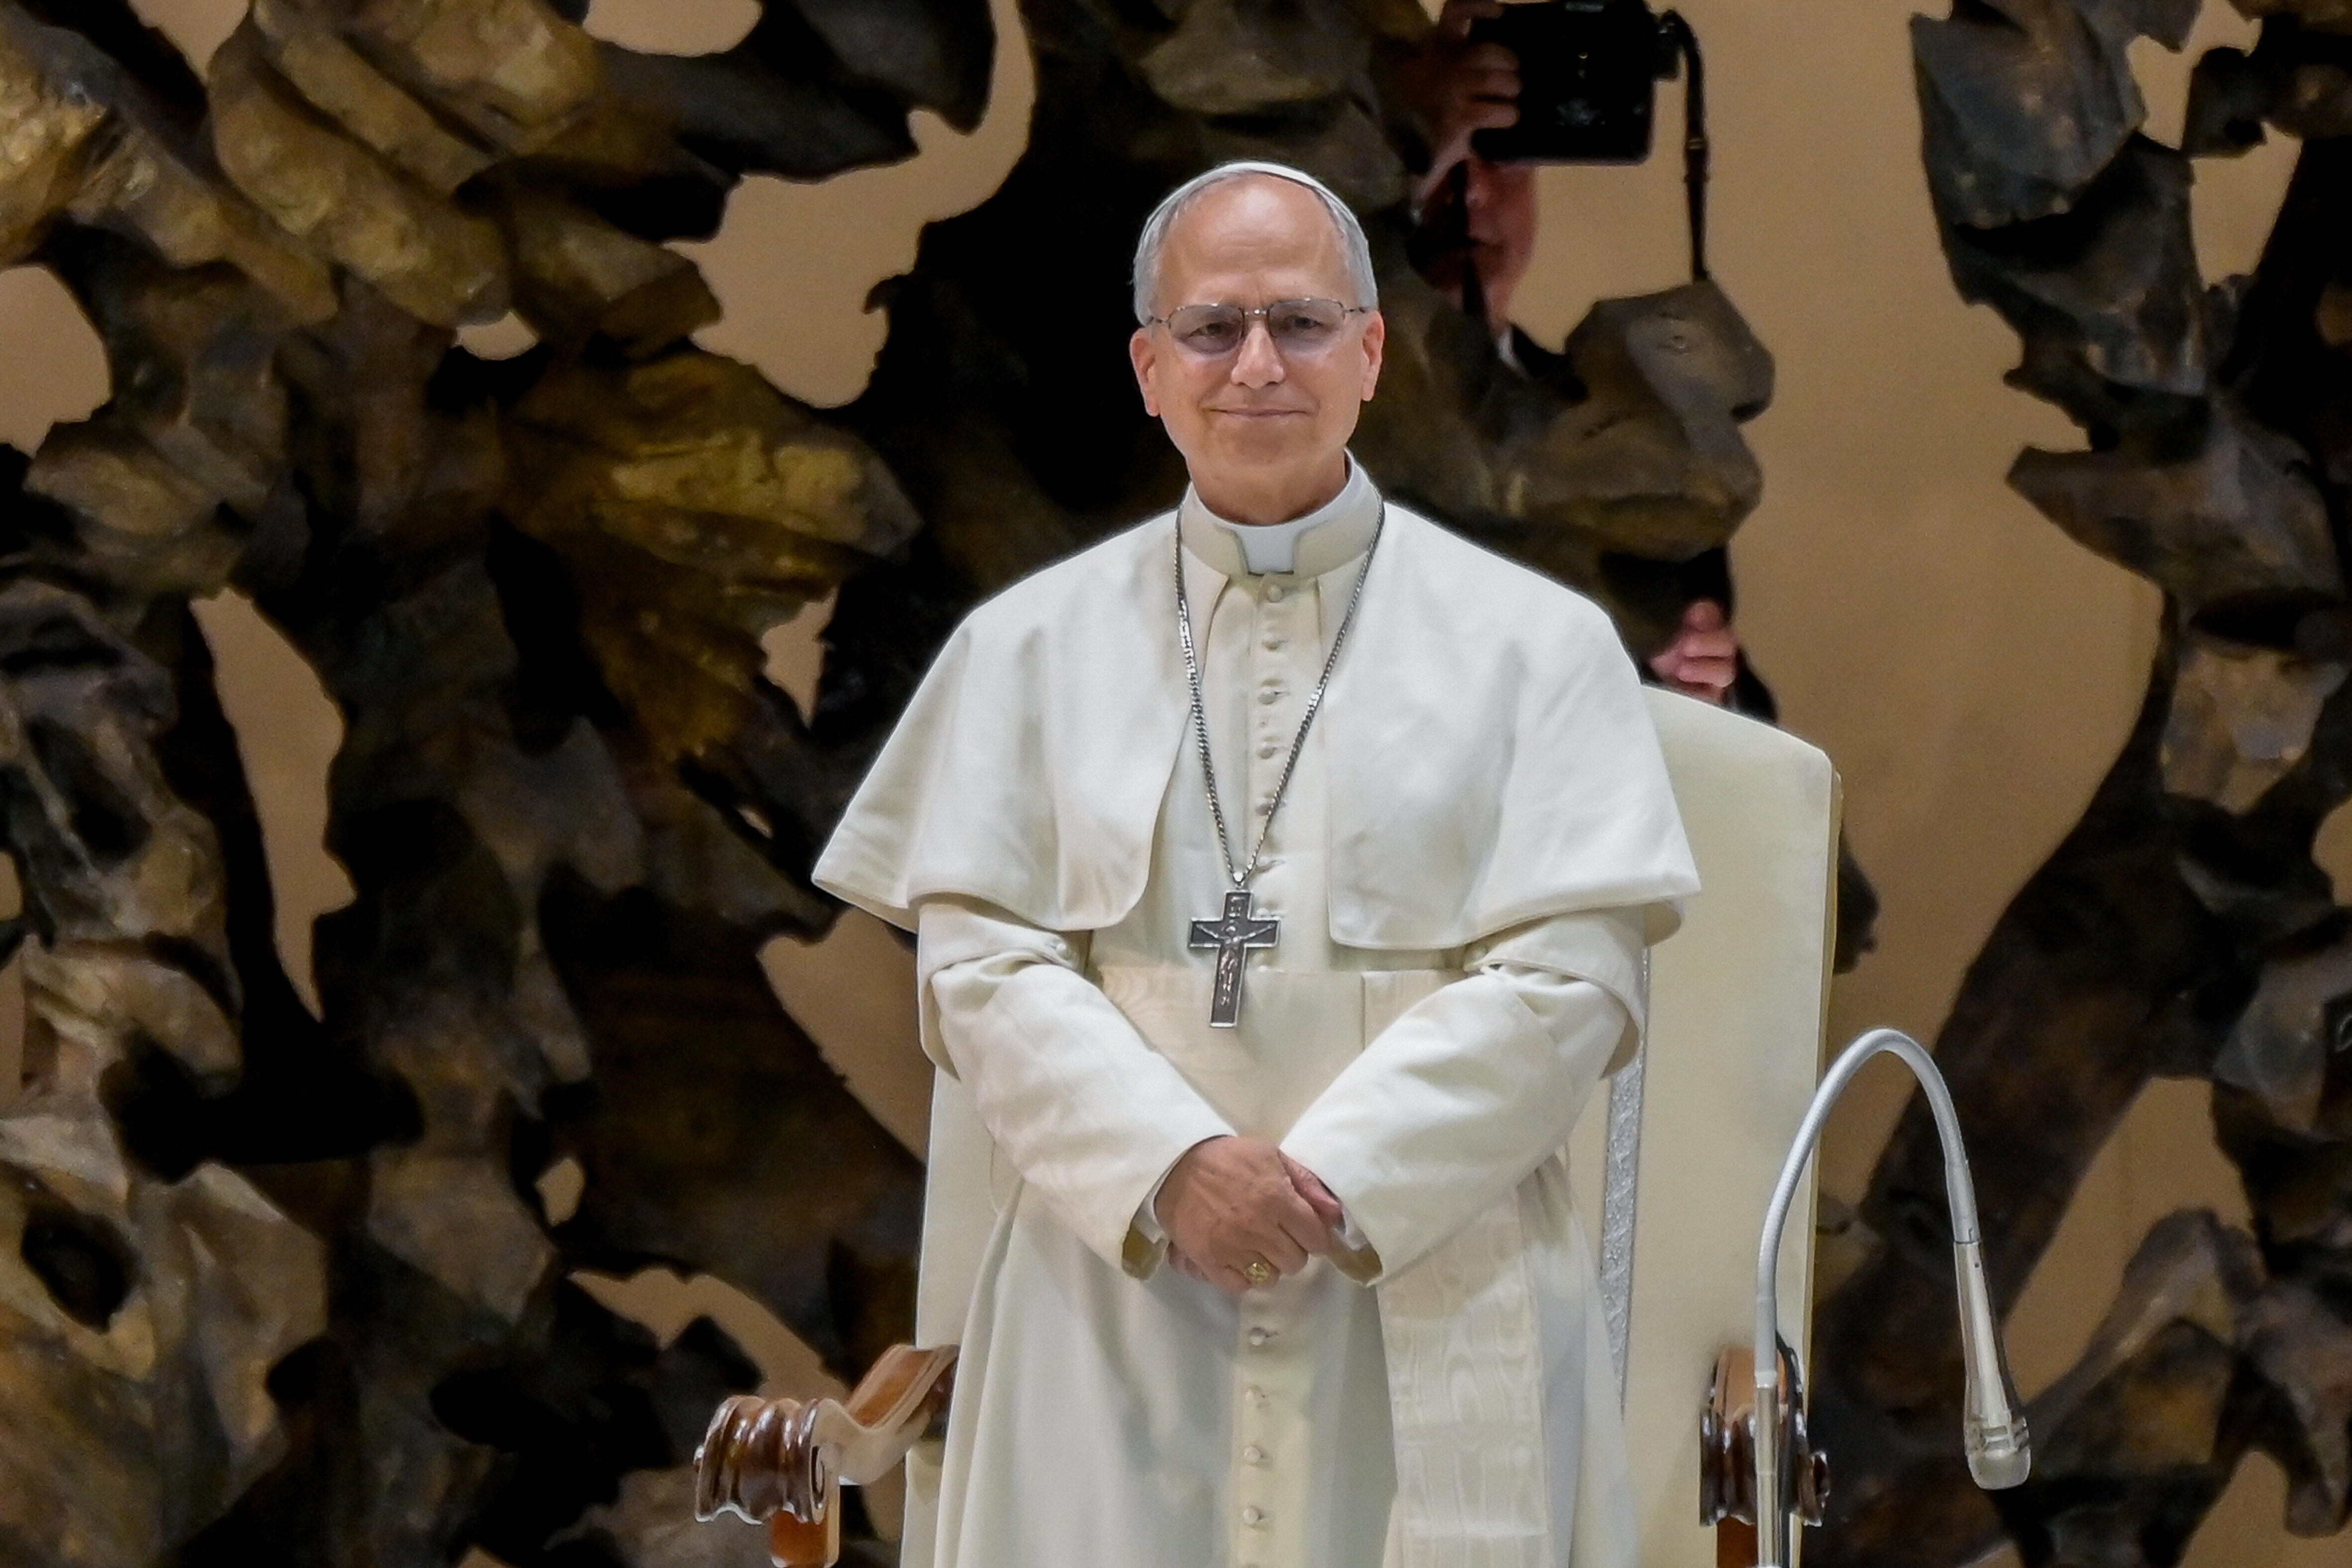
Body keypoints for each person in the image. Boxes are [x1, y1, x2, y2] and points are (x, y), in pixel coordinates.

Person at [815, 162, 1696, 1568]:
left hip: (1420, 1267)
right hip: (1117, 1300)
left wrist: (1328, 1180)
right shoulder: (1024, 650)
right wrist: (1174, 1165)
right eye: (1212, 329)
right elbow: (977, 966)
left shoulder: (1538, 647)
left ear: (1368, 351)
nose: (1256, 364)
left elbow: (1570, 974)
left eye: (1297, 321)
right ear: (1148, 369)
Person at [1396, 0, 1741, 706]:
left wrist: (1701, 688)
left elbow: (1744, 710)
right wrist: (1413, 156)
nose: (1474, 197)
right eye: (1457, 165)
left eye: (1508, 163)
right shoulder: (1302, 401)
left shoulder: (1632, 427)